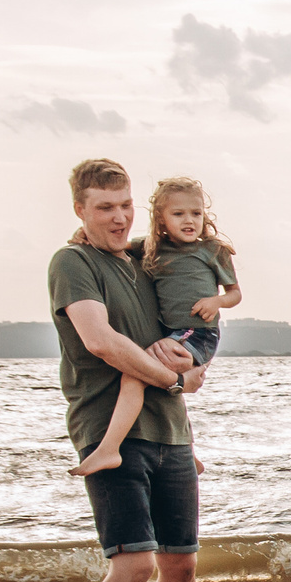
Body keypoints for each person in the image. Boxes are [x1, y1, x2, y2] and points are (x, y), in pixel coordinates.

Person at [47, 158, 205, 582]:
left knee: (181, 563)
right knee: (134, 563)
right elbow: (100, 341)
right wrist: (173, 377)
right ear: (80, 211)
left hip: (171, 430)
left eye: (124, 206)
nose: (118, 218)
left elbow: (190, 349)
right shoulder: (72, 261)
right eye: (104, 208)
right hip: (109, 429)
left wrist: (187, 365)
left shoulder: (146, 263)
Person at [69, 177, 242, 477]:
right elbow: (117, 247)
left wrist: (216, 303)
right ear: (161, 219)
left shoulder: (213, 251)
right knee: (158, 387)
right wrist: (82, 231)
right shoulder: (151, 248)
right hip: (172, 332)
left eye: (196, 214)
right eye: (178, 214)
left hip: (197, 332)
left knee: (135, 376)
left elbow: (235, 293)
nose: (189, 221)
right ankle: (190, 453)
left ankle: (109, 449)